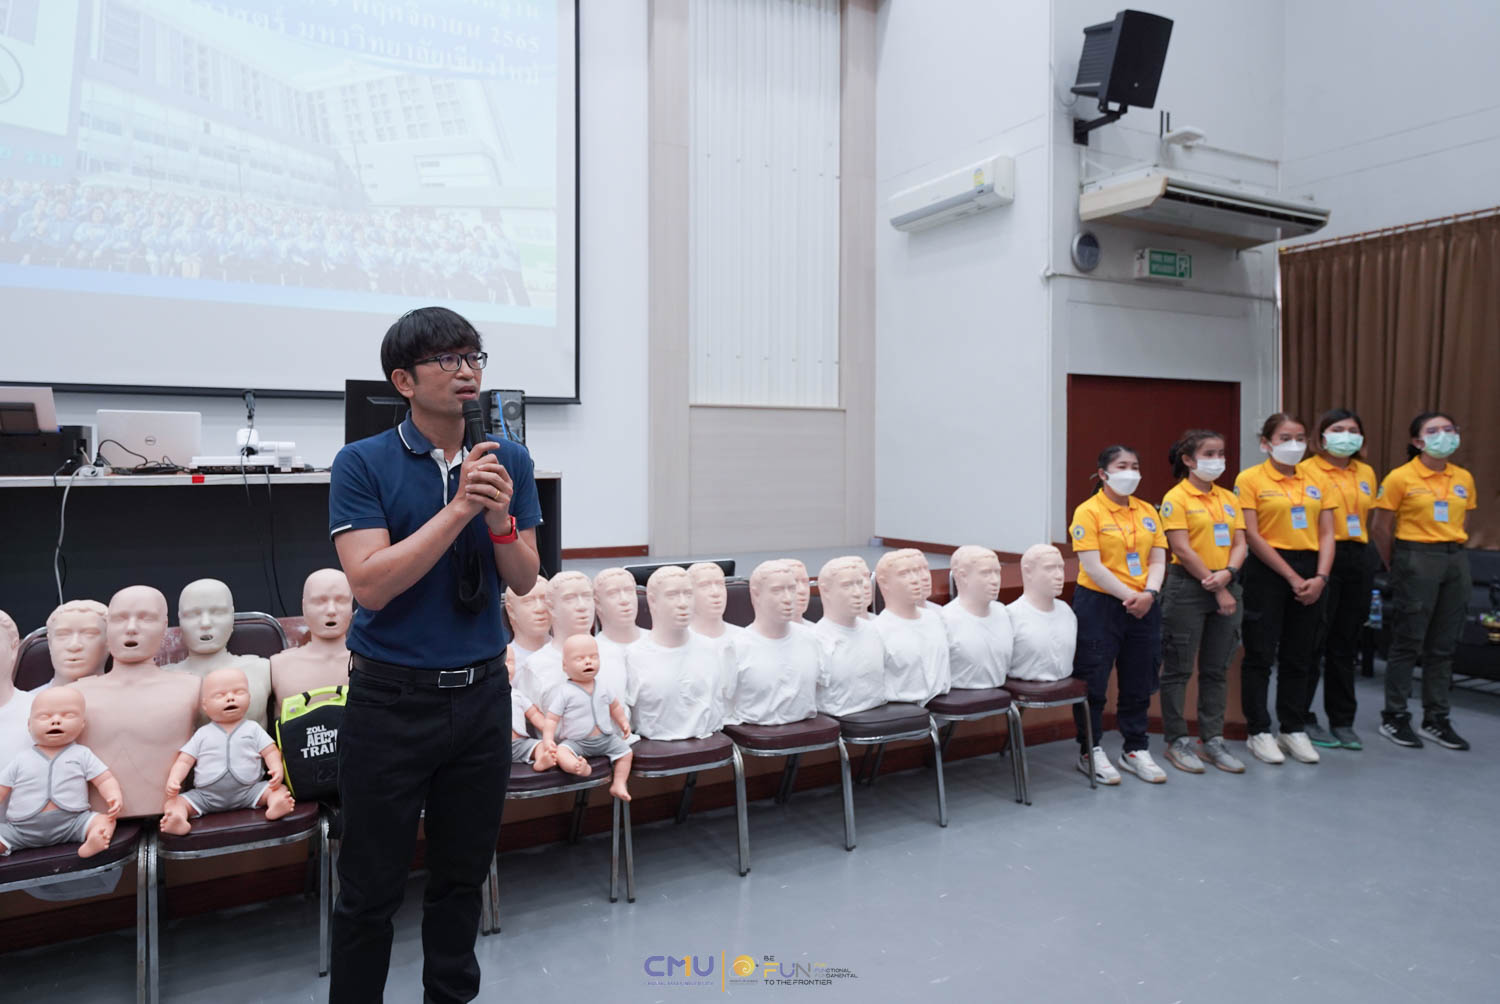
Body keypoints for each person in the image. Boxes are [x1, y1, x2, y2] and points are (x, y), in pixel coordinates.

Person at [327, 306, 543, 1003]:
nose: (467, 371)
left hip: (481, 698)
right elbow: (370, 584)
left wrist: (500, 521)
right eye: (448, 360)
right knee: (369, 891)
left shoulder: (510, 459)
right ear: (404, 381)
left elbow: (524, 579)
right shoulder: (362, 462)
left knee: (460, 882)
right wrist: (459, 508)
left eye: (473, 357)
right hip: (391, 702)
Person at [1370, 411, 1477, 751]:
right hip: (1415, 555)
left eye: (1449, 429)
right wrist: (1397, 563)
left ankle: (1436, 717)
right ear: (1418, 441)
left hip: (1454, 557)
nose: (1443, 435)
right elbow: (1380, 527)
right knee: (1408, 641)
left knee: (1444, 644)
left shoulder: (1463, 477)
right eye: (1433, 431)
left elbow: (1464, 520)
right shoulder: (1401, 477)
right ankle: (1395, 715)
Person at [1234, 413, 1336, 766]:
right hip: (1268, 569)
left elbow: (1327, 532)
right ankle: (1259, 730)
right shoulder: (1250, 479)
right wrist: (1292, 577)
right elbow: (1251, 534)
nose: (1294, 445)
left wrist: (1321, 577)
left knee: (1301, 654)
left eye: (1300, 438)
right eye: (1285, 438)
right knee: (1260, 654)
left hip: (1313, 569)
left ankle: (1292, 727)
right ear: (1266, 443)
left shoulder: (1318, 478)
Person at [1067, 445, 1168, 784]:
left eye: (1135, 466)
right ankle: (1090, 748)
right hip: (1100, 604)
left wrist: (1149, 594)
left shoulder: (1147, 510)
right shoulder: (1088, 511)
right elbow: (1093, 567)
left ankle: (1135, 748)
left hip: (1145, 604)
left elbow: (1158, 559)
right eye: (1122, 466)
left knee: (1139, 678)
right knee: (1093, 679)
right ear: (1103, 473)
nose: (1131, 472)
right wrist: (1130, 596)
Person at [1157, 430, 1247, 774]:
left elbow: (1240, 542)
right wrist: (1216, 585)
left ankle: (1212, 740)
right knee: (1178, 669)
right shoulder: (1176, 498)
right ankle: (1177, 741)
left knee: (1216, 669)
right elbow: (1181, 548)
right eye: (1209, 454)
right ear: (1188, 460)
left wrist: (1228, 573)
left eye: (1221, 453)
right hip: (1188, 588)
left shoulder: (1228, 497)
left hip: (1226, 581)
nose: (1217, 460)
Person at [1300, 408, 1379, 750]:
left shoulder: (1366, 472)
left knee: (1346, 643)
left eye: (1352, 430)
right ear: (1321, 436)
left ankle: (1342, 720)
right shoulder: (1306, 470)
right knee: (1312, 640)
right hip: (1319, 555)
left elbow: (1369, 517)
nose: (1346, 436)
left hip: (1357, 556)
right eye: (1337, 429)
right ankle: (1300, 716)